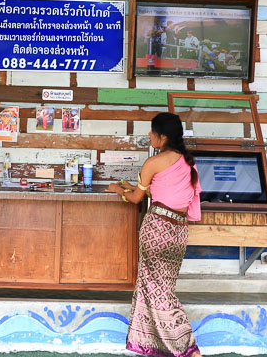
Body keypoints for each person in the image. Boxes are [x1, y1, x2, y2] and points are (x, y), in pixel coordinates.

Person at [106, 112, 202, 357]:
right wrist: (133, 187)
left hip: (156, 230)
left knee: (157, 292)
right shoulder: (189, 163)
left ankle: (189, 349)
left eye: (152, 132)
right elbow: (165, 195)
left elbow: (136, 198)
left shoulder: (153, 163)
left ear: (162, 136)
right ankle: (156, 346)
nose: (149, 135)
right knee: (160, 289)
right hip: (178, 233)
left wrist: (118, 190)